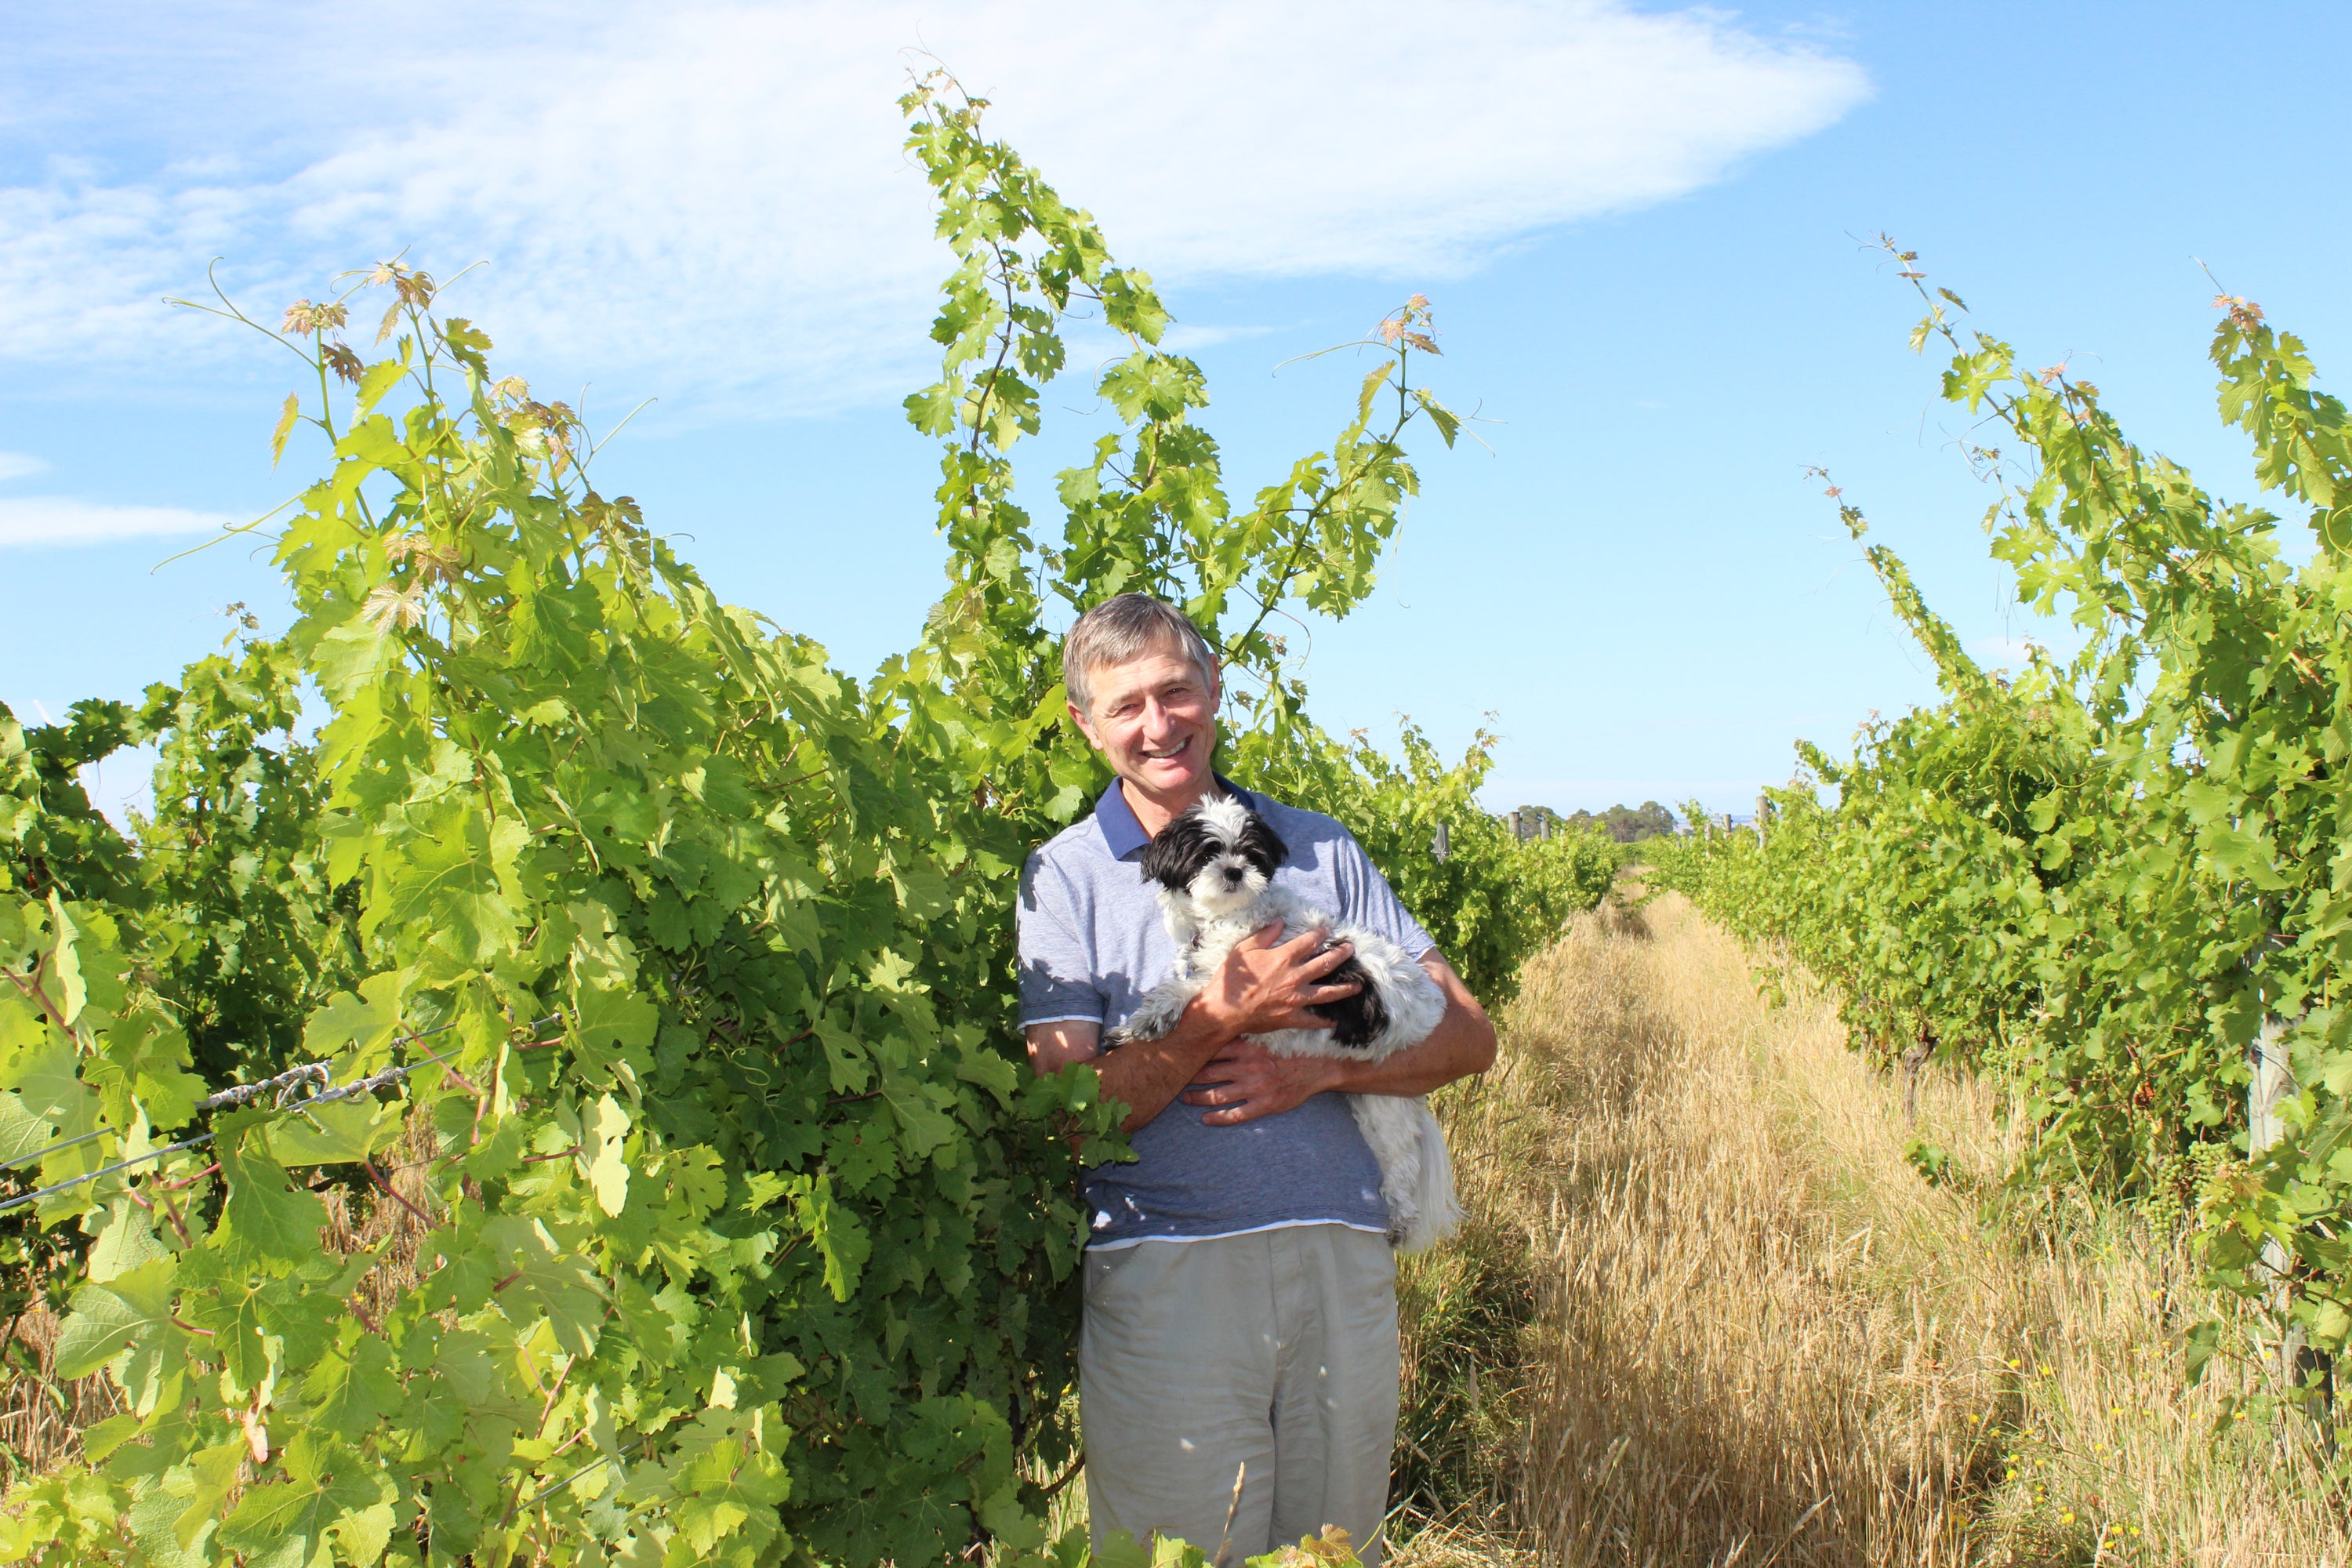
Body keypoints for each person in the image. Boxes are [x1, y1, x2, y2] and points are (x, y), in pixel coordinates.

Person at [1018, 593, 1497, 1566]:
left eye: (1176, 691)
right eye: (1126, 706)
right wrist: (1222, 1015)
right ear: (1085, 723)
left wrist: (1310, 1075)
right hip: (1170, 1274)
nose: (1159, 724)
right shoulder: (1062, 878)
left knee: (1334, 1550)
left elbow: (1470, 1040)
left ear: (1215, 691)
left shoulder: (1321, 845)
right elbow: (1069, 1117)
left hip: (1338, 1266)